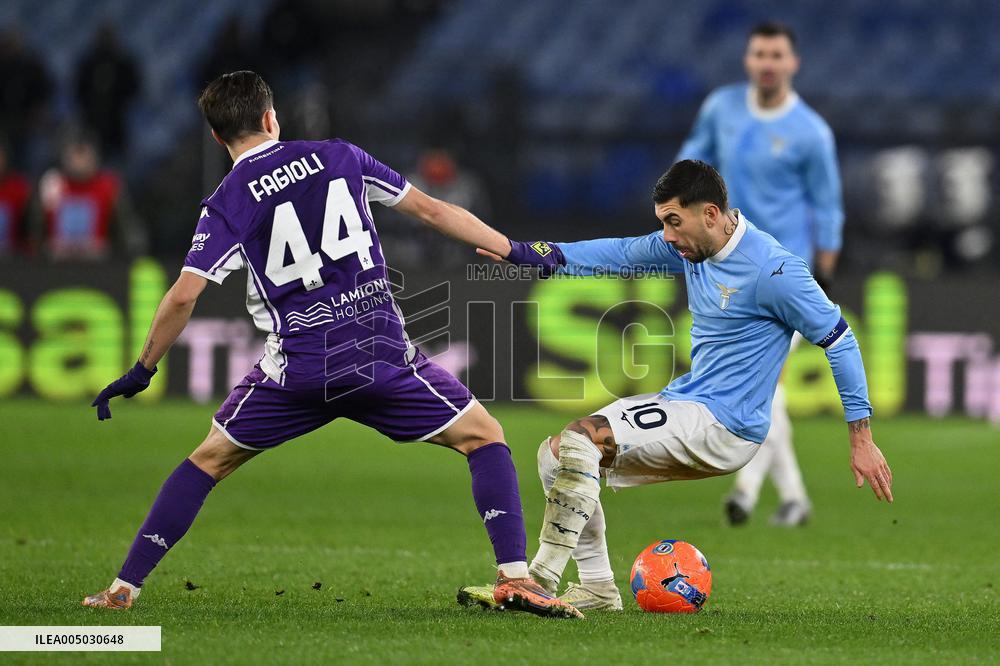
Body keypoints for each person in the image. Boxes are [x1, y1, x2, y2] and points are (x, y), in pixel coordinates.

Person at [81, 71, 580, 619]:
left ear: (218, 139)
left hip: (297, 372)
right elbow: (434, 211)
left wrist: (143, 368)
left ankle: (123, 589)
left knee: (208, 461)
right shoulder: (340, 156)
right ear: (272, 117)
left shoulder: (226, 200)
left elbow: (183, 297)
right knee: (485, 438)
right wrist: (513, 249)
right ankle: (514, 577)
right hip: (378, 360)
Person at [459, 160, 891, 611]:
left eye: (673, 221)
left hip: (725, 423)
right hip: (692, 403)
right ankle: (597, 587)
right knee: (554, 456)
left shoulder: (773, 271)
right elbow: (620, 253)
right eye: (663, 223)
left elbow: (839, 340)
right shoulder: (691, 247)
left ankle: (539, 580)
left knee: (581, 439)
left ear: (709, 214)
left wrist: (861, 437)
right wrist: (525, 252)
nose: (666, 235)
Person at [677, 22, 844, 527]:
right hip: (723, 266)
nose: (767, 62)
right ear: (747, 61)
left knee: (761, 384)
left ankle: (748, 490)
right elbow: (690, 162)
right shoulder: (721, 108)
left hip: (782, 274)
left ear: (792, 63)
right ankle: (792, 497)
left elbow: (828, 205)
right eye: (759, 54)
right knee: (766, 389)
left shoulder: (811, 132)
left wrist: (825, 271)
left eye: (777, 54)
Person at [30, 134, 147, 261]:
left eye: (84, 154)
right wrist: (43, 249)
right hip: (54, 263)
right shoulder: (52, 184)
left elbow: (128, 230)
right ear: (65, 157)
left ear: (94, 157)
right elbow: (35, 232)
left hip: (98, 264)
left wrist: (113, 250)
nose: (79, 161)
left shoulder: (108, 186)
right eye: (75, 154)